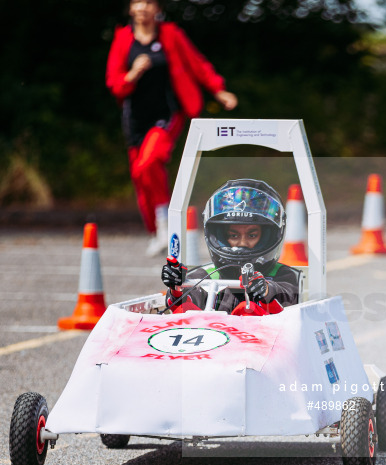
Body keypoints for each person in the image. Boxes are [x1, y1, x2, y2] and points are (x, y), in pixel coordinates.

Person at [106, 0, 238, 257]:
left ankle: (166, 225)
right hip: (134, 118)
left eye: (148, 2)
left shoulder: (171, 35)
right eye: (137, 2)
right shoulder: (123, 39)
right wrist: (133, 73)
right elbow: (115, 83)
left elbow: (196, 63)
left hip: (167, 114)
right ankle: (157, 230)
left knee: (150, 161)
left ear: (157, 9)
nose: (143, 7)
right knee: (140, 175)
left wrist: (218, 89)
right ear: (131, 9)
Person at [161, 179, 301, 313]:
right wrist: (176, 288)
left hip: (262, 336)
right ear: (220, 237)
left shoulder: (284, 276)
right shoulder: (204, 276)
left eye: (252, 235)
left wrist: (266, 291)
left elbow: (286, 299)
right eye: (234, 236)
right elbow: (183, 310)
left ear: (267, 237)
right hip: (210, 335)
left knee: (247, 310)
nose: (242, 243)